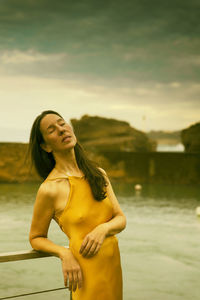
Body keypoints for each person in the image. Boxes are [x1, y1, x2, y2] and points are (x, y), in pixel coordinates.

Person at [28, 110, 126, 300]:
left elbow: (120, 219)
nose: (61, 130)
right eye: (52, 130)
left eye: (62, 123)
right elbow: (36, 237)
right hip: (84, 274)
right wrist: (63, 253)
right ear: (46, 146)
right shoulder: (49, 189)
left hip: (113, 270)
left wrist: (103, 229)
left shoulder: (98, 174)